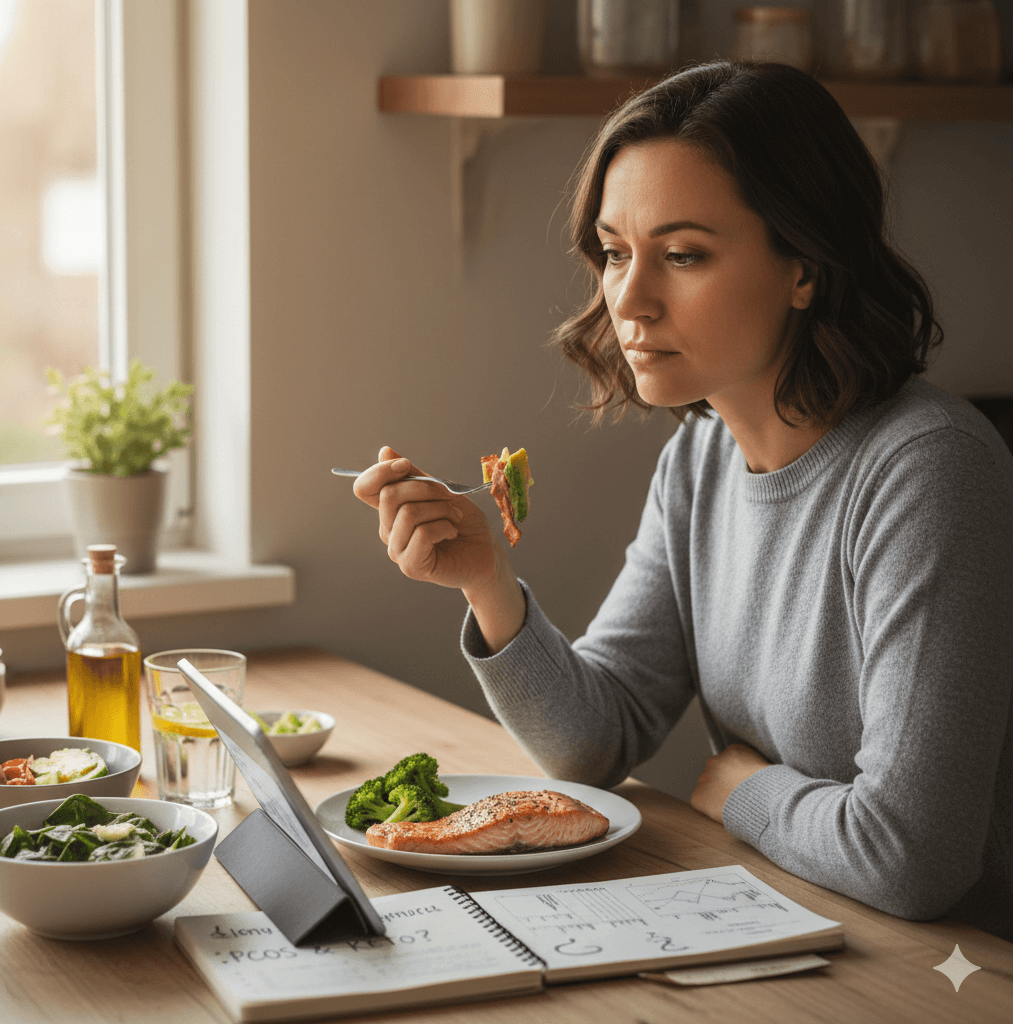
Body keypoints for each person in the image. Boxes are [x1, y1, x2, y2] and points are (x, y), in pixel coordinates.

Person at [353, 61, 1013, 941]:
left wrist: (745, 791)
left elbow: (913, 857)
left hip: (954, 968)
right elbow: (599, 739)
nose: (628, 300)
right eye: (617, 253)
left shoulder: (928, 470)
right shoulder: (701, 456)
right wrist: (487, 582)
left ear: (805, 267)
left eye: (684, 255)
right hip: (795, 916)